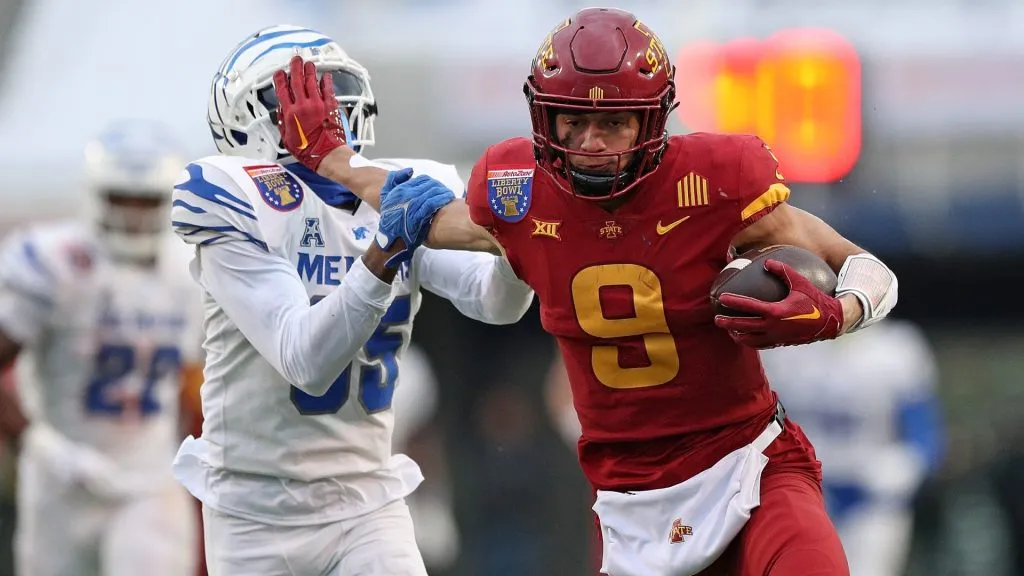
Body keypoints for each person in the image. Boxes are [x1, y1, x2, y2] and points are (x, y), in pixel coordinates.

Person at [274, 7, 899, 574]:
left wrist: (837, 312)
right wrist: (332, 159)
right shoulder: (518, 193)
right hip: (630, 503)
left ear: (652, 120)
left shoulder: (717, 183)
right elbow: (423, 214)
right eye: (573, 123)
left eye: (614, 125)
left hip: (747, 466)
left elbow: (870, 269)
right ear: (546, 118)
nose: (591, 145)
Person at [169, 25, 534, 576]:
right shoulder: (236, 196)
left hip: (367, 498)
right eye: (294, 96)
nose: (330, 109)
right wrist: (386, 250)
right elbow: (305, 360)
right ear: (245, 115)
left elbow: (496, 302)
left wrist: (516, 245)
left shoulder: (402, 185)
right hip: (255, 512)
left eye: (335, 88)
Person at [0, 120, 201, 576]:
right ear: (95, 196)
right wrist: (37, 441)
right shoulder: (56, 261)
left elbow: (207, 380)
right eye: (121, 199)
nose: (133, 214)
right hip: (60, 482)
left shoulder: (190, 270)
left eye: (146, 200)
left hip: (149, 482)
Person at [760, 320, 944, 576]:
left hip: (869, 498)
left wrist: (903, 466)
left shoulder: (897, 348)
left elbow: (925, 434)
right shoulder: (779, 346)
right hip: (800, 489)